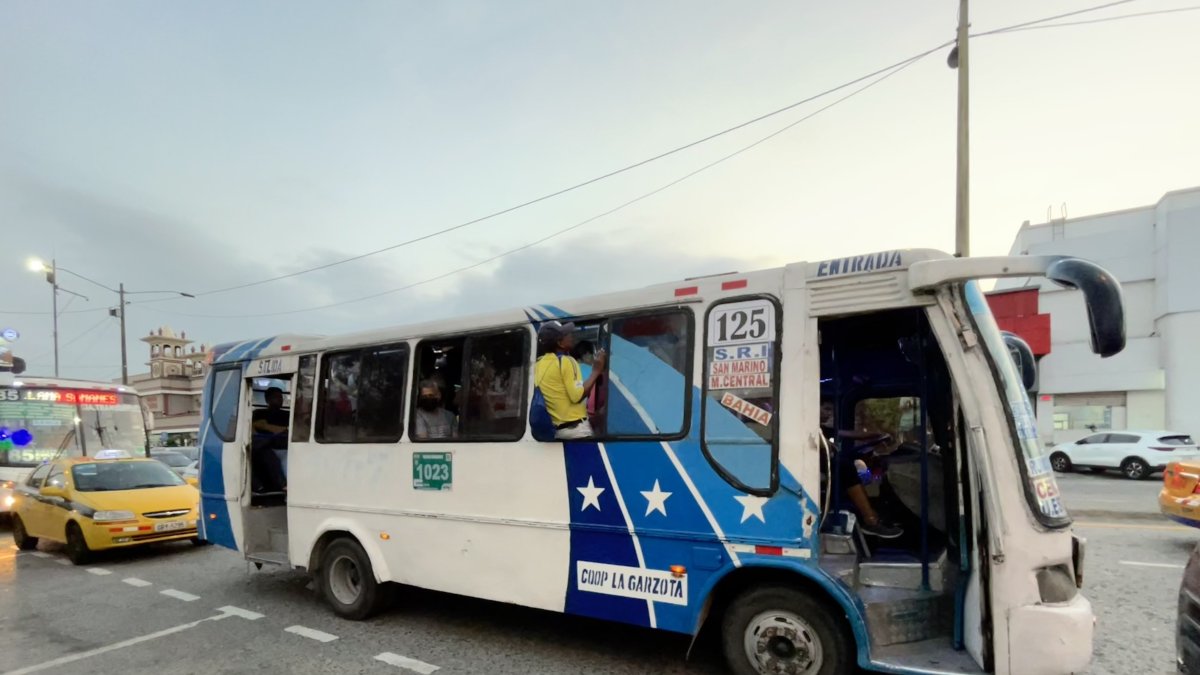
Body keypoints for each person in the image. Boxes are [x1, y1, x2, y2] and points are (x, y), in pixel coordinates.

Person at [821, 399, 903, 539]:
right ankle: (870, 520)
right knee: (846, 468)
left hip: (828, 467)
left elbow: (852, 434)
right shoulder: (808, 430)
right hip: (819, 469)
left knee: (856, 464)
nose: (830, 414)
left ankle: (876, 512)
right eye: (827, 409)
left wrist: (877, 434)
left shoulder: (823, 429)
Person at [535, 321, 606, 440]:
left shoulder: (539, 364)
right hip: (577, 431)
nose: (571, 336)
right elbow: (576, 396)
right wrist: (596, 371)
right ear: (559, 343)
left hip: (559, 432)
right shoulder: (566, 361)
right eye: (566, 334)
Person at [251, 387, 288, 493]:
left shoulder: (287, 415)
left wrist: (269, 427)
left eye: (281, 397)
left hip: (284, 444)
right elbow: (254, 427)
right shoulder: (259, 413)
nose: (280, 400)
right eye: (276, 397)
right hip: (265, 446)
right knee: (266, 454)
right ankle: (283, 485)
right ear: (267, 400)